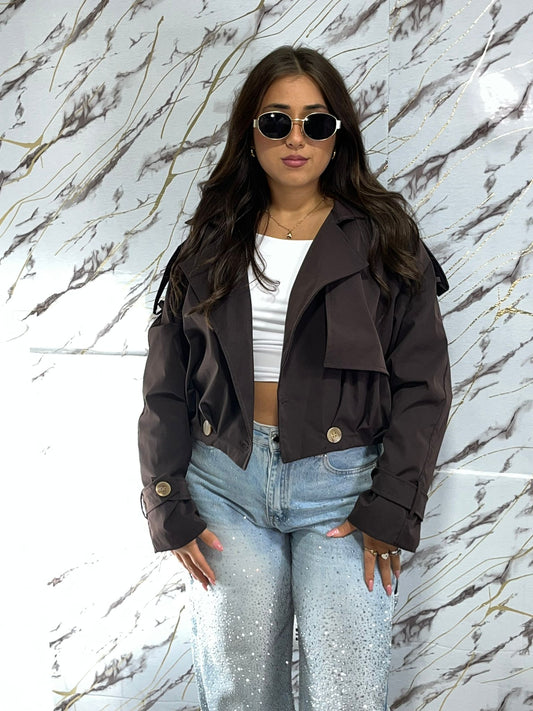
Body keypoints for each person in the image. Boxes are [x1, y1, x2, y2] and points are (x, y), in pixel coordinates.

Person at [138, 45, 452, 711]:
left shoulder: (384, 238)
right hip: (224, 484)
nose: (296, 138)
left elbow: (423, 384)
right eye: (277, 121)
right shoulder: (211, 239)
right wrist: (165, 499)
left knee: (347, 694)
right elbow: (165, 381)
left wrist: (394, 504)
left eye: (317, 122)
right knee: (240, 694)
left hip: (344, 489)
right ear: (251, 133)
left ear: (339, 136)